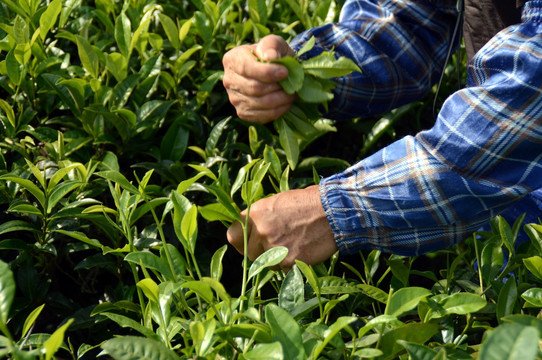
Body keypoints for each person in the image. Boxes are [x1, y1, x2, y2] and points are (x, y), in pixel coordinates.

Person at [222, 0, 542, 270]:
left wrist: (334, 210)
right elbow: (408, 18)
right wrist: (295, 74)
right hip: (510, 204)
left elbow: (527, 99)